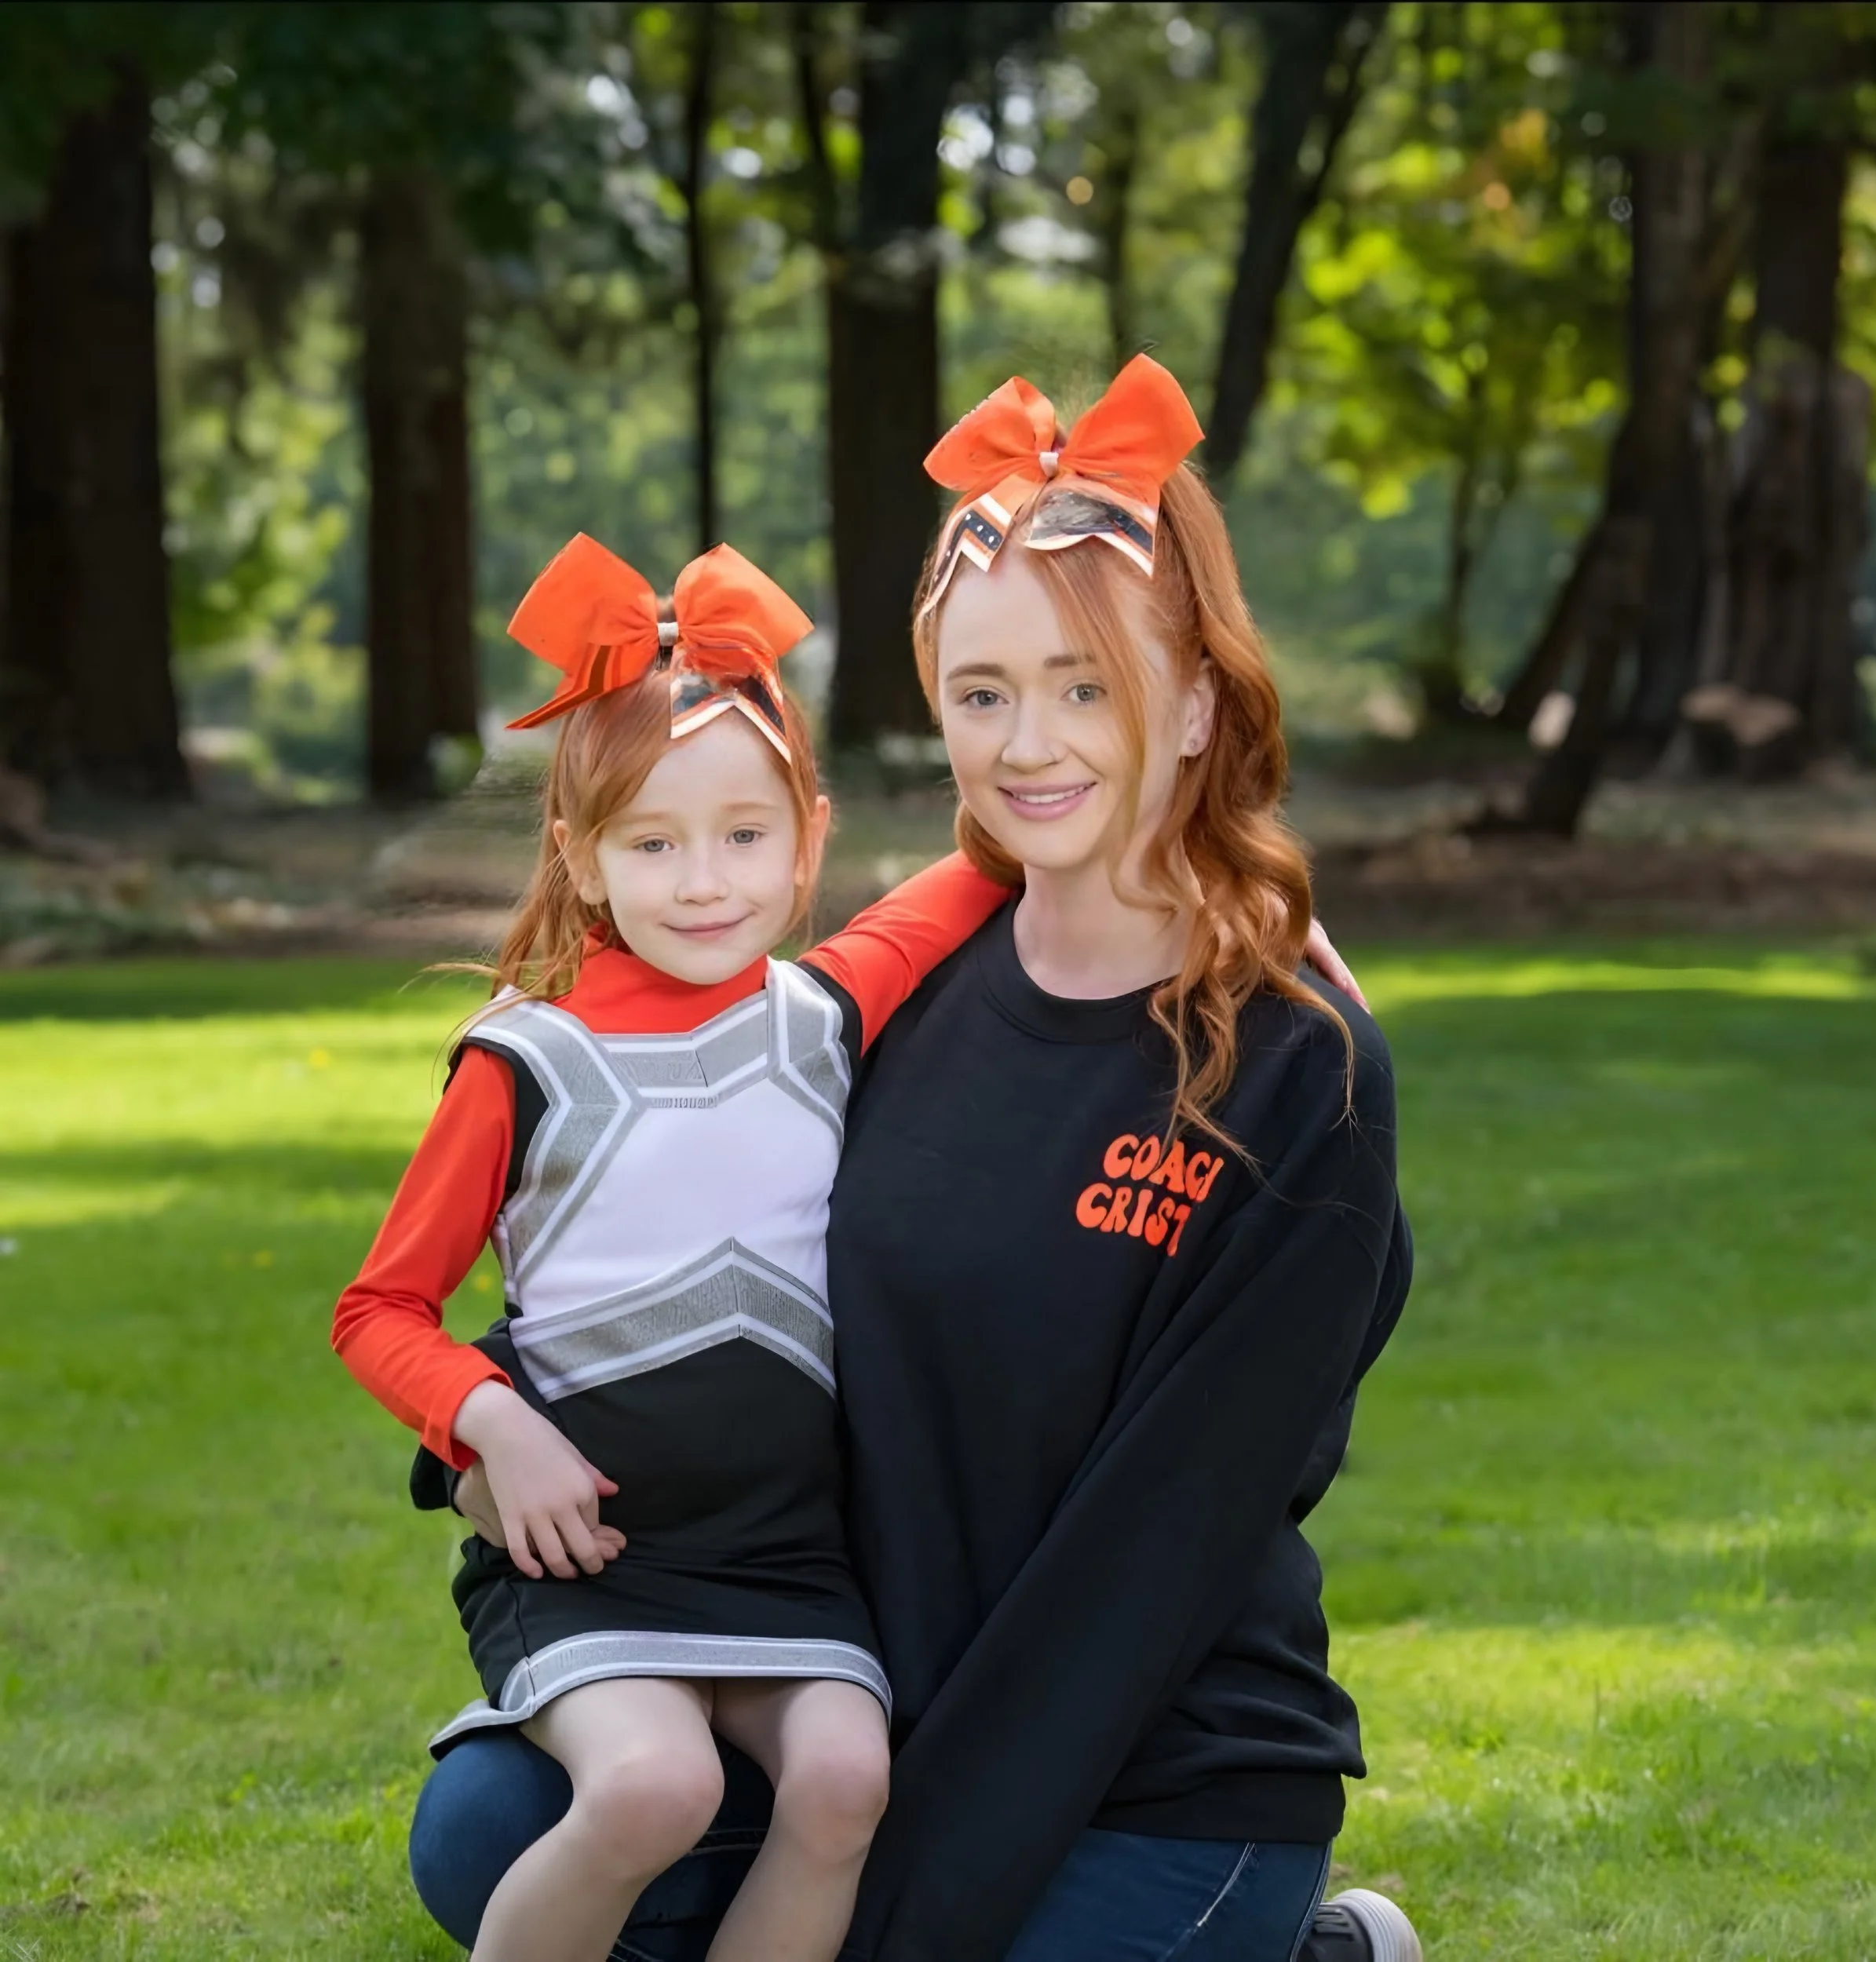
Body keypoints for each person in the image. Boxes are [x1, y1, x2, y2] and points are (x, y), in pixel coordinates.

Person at [406, 356, 1419, 1962]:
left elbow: (1145, 1562)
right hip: (856, 1676)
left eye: (1090, 685)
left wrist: (904, 1908)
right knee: (486, 1835)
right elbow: (671, 1232)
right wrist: (486, 1427)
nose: (1031, 743)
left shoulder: (1294, 1067)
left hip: (1149, 1762)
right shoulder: (882, 1006)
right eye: (982, 687)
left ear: (1201, 703)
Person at [332, 535, 1013, 1962]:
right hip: (596, 1562)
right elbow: (382, 1308)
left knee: (844, 1779)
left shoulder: (825, 1011)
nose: (705, 882)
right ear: (581, 854)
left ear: (809, 835)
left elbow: (1005, 851)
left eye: (745, 836)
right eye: (653, 843)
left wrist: (1258, 907)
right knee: (656, 1784)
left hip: (786, 1556)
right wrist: (491, 1431)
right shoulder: (526, 1062)